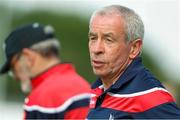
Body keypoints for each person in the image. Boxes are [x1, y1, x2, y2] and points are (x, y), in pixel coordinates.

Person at [87, 5, 180, 119]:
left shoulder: (149, 96)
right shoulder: (97, 91)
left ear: (134, 48)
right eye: (93, 38)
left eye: (108, 40)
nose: (96, 49)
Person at [0, 23, 91, 119]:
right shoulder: (88, 88)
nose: (15, 77)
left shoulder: (41, 99)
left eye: (13, 67)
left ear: (28, 57)